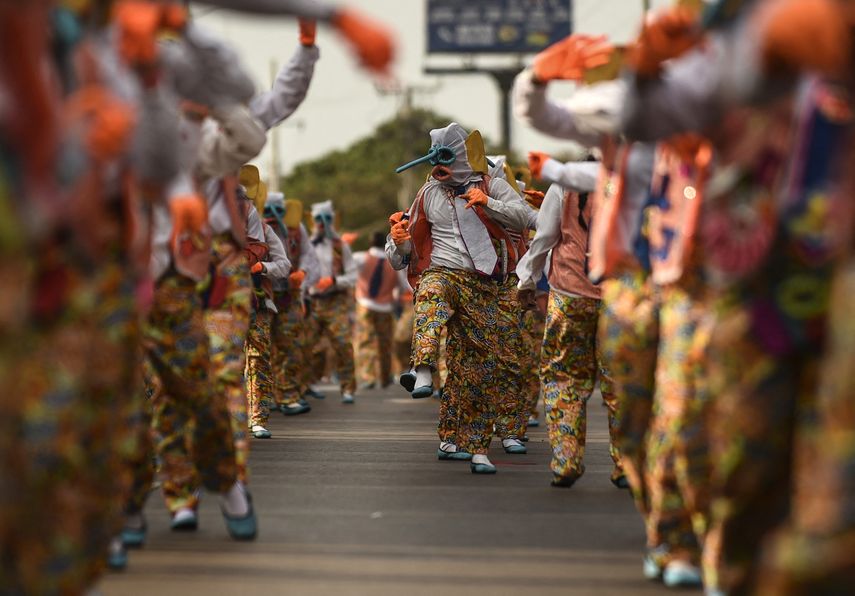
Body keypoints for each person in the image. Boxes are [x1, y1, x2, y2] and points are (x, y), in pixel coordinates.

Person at [388, 122, 530, 473]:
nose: (439, 166)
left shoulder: (492, 185)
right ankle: (421, 368)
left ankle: (467, 444)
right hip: (444, 272)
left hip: (486, 284)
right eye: (434, 158)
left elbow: (531, 219)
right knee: (431, 293)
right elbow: (401, 253)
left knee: (474, 366)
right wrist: (400, 240)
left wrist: (490, 203)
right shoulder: (427, 194)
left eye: (446, 156)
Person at [241, 166, 292, 439]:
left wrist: (262, 267)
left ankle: (258, 417)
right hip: (223, 304)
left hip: (259, 303)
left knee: (258, 358)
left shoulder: (264, 231)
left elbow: (284, 265)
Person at [264, 194, 322, 415]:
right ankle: (263, 398)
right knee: (261, 348)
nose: (273, 216)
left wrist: (303, 272)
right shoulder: (253, 227)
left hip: (289, 297)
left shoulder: (297, 231)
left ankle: (287, 396)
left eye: (277, 211)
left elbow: (310, 257)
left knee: (289, 346)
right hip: (262, 296)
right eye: (268, 211)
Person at [308, 200, 358, 403]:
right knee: (306, 344)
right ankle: (307, 385)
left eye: (326, 218)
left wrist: (335, 280)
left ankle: (348, 388)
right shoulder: (307, 244)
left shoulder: (340, 246)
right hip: (311, 301)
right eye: (318, 219)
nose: (322, 223)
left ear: (332, 220)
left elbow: (353, 276)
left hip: (335, 300)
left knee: (343, 344)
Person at [354, 231, 407, 389]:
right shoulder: (394, 263)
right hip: (385, 307)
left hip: (365, 304)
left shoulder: (361, 258)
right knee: (385, 343)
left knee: (365, 341)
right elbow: (403, 285)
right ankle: (385, 376)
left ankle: (368, 376)